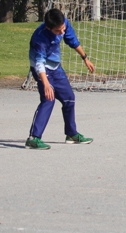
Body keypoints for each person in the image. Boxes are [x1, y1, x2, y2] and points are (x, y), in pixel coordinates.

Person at [25, 8, 94, 149]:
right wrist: (46, 84)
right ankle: (33, 138)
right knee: (48, 98)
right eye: (58, 31)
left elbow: (72, 40)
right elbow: (39, 63)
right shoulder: (40, 38)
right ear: (48, 28)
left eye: (63, 28)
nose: (61, 32)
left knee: (69, 98)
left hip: (55, 67)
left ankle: (71, 134)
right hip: (42, 70)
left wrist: (85, 58)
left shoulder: (63, 23)